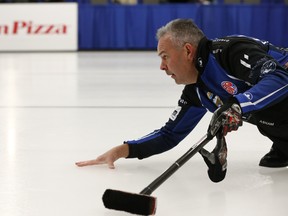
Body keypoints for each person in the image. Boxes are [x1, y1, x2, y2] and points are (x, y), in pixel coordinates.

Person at [76, 18, 288, 182]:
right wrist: (123, 150)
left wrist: (236, 106)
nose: (162, 66)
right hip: (279, 121)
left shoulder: (229, 51)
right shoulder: (197, 89)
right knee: (266, 117)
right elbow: (169, 134)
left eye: (164, 56)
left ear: (187, 50)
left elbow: (280, 79)